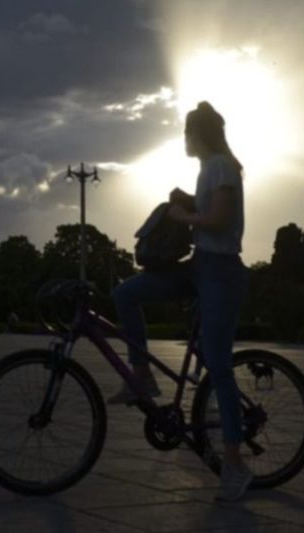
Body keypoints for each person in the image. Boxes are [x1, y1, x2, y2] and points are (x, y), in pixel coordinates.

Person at [107, 100, 253, 502]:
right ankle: (142, 375)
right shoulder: (209, 168)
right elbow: (211, 215)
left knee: (219, 365)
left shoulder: (221, 166)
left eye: (186, 132)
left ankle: (234, 464)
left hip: (221, 271)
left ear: (198, 134)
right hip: (201, 266)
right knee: (126, 293)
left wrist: (183, 217)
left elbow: (220, 220)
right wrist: (188, 207)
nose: (183, 139)